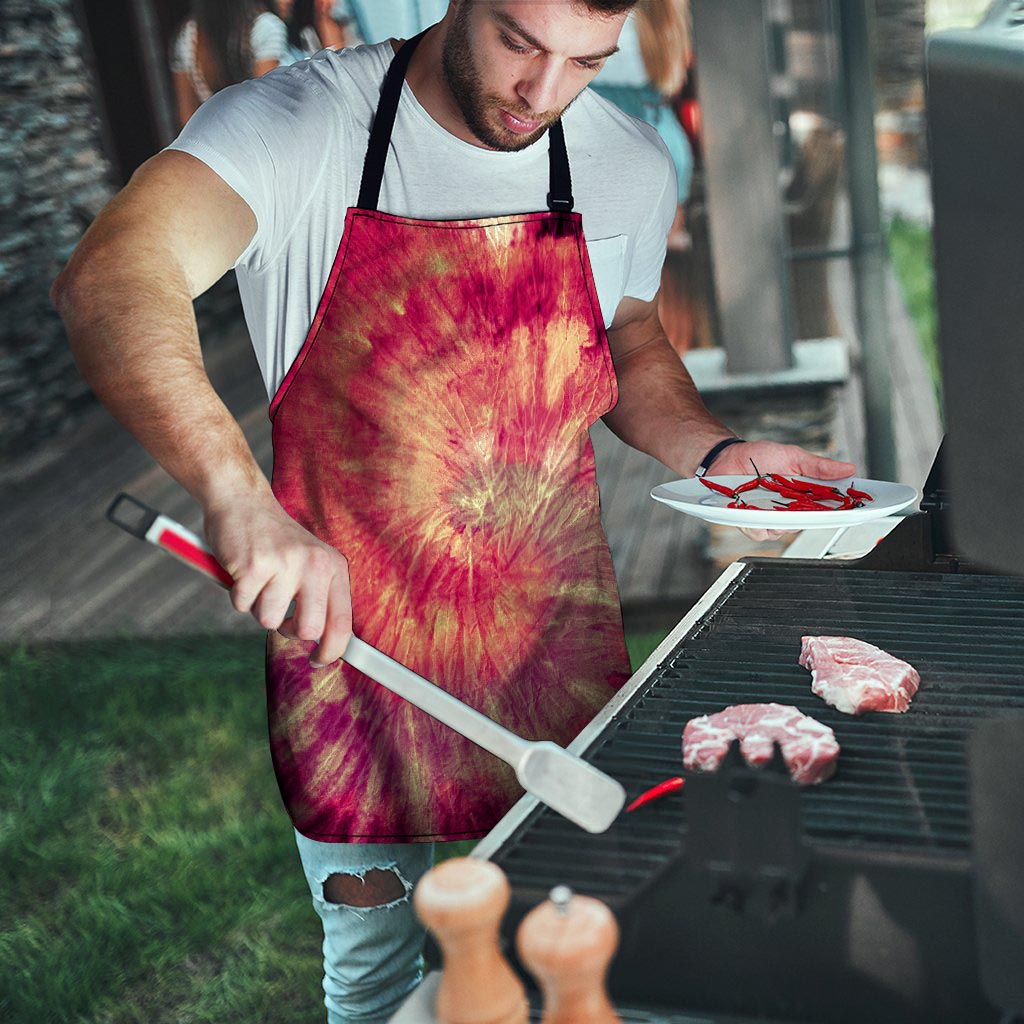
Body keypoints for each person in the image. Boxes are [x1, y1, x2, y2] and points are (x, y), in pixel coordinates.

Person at [52, 2, 856, 1020]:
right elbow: (112, 275)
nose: (543, 93)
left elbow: (630, 333)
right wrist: (237, 496)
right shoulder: (298, 125)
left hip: (555, 651)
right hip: (353, 665)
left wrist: (717, 450)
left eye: (585, 62)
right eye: (520, 43)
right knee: (381, 979)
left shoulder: (625, 161)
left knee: (582, 953)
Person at [171, 0, 288, 126]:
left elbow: (187, 118)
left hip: (215, 138)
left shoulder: (187, 36)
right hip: (264, 135)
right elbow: (266, 104)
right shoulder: (265, 27)